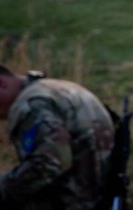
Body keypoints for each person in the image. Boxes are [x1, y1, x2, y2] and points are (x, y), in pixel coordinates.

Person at [0, 66, 115, 210]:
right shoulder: (64, 88)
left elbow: (50, 161)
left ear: (1, 84)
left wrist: (4, 186)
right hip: (102, 197)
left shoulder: (29, 105)